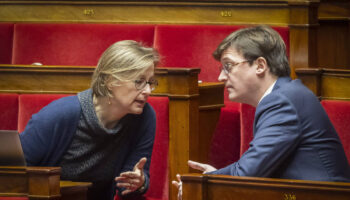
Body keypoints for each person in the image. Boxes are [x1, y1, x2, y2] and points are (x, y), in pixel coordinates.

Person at [173, 25, 350, 198]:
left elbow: (247, 173)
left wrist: (200, 184)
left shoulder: (282, 101)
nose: (221, 77)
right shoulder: (286, 94)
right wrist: (215, 176)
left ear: (260, 65)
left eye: (228, 66)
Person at [20, 40, 160, 200]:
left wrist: (138, 182)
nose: (148, 91)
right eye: (139, 82)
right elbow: (12, 174)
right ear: (110, 81)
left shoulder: (144, 117)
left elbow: (128, 184)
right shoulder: (60, 114)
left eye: (150, 82)